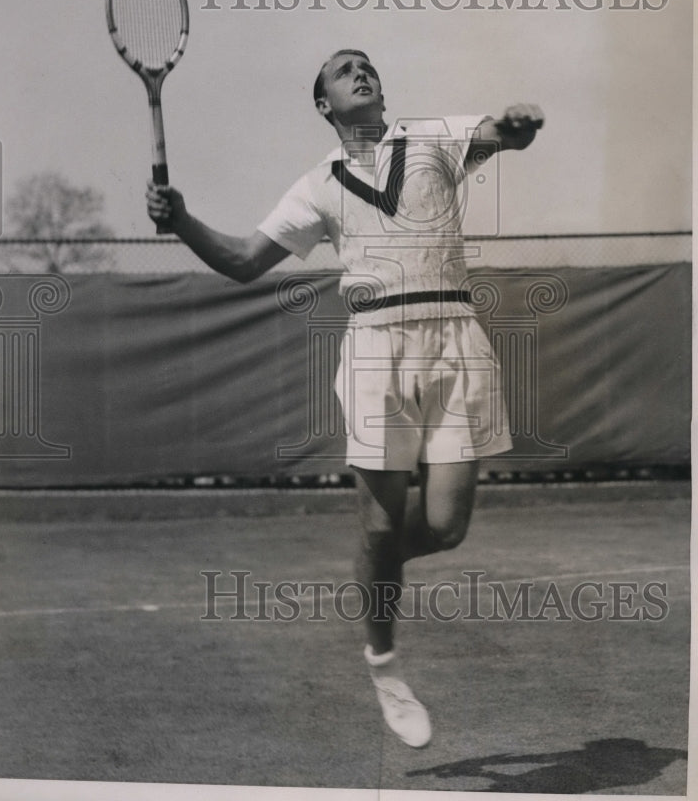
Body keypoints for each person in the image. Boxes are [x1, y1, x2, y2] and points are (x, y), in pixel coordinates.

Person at [146, 49, 544, 749]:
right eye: (341, 71)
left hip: (457, 339)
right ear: (325, 105)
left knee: (446, 527)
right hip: (374, 350)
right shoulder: (315, 187)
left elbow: (504, 134)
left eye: (366, 65)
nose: (360, 72)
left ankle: (374, 562)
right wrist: (181, 222)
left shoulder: (433, 138)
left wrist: (517, 124)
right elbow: (242, 261)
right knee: (382, 527)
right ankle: (383, 662)